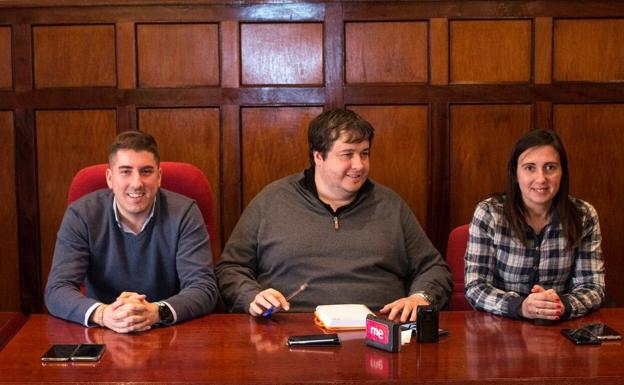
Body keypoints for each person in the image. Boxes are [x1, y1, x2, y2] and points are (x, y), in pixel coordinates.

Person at [216, 108, 451, 322]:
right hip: (288, 330)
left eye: (365, 153)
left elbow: (433, 268)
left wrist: (420, 297)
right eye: (347, 154)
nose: (359, 165)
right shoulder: (271, 200)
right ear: (318, 156)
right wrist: (252, 296)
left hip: (379, 330)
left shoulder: (390, 204)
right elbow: (230, 269)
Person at [45, 131, 218, 333]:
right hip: (102, 331)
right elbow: (57, 290)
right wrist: (104, 314)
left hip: (167, 332)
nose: (136, 183)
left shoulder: (185, 213)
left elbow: (203, 288)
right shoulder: (81, 214)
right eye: (126, 171)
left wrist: (155, 312)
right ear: (110, 178)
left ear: (159, 177)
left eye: (146, 171)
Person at [464, 129, 605, 320]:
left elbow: (593, 286)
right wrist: (521, 306)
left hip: (561, 327)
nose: (541, 179)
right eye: (530, 168)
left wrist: (561, 304)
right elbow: (475, 287)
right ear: (515, 173)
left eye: (550, 167)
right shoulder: (489, 213)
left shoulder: (584, 215)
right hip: (502, 329)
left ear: (562, 172)